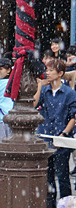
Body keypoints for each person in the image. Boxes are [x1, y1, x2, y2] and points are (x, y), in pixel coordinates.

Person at [34, 59, 76, 199]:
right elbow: (34, 103)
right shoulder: (45, 90)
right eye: (47, 70)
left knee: (63, 176)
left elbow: (73, 116)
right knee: (48, 178)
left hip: (61, 139)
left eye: (51, 70)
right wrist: (40, 85)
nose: (48, 73)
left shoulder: (69, 93)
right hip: (45, 137)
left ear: (60, 74)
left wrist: (64, 134)